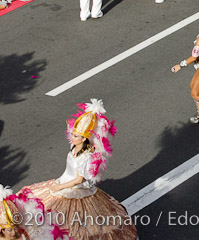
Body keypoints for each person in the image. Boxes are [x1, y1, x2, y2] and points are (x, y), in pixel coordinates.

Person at [23, 99, 138, 240]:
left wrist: (59, 187)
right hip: (63, 182)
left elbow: (78, 180)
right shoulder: (74, 148)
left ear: (84, 139)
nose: (72, 137)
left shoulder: (86, 157)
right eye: (72, 134)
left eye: (76, 136)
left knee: (75, 227)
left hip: (75, 189)